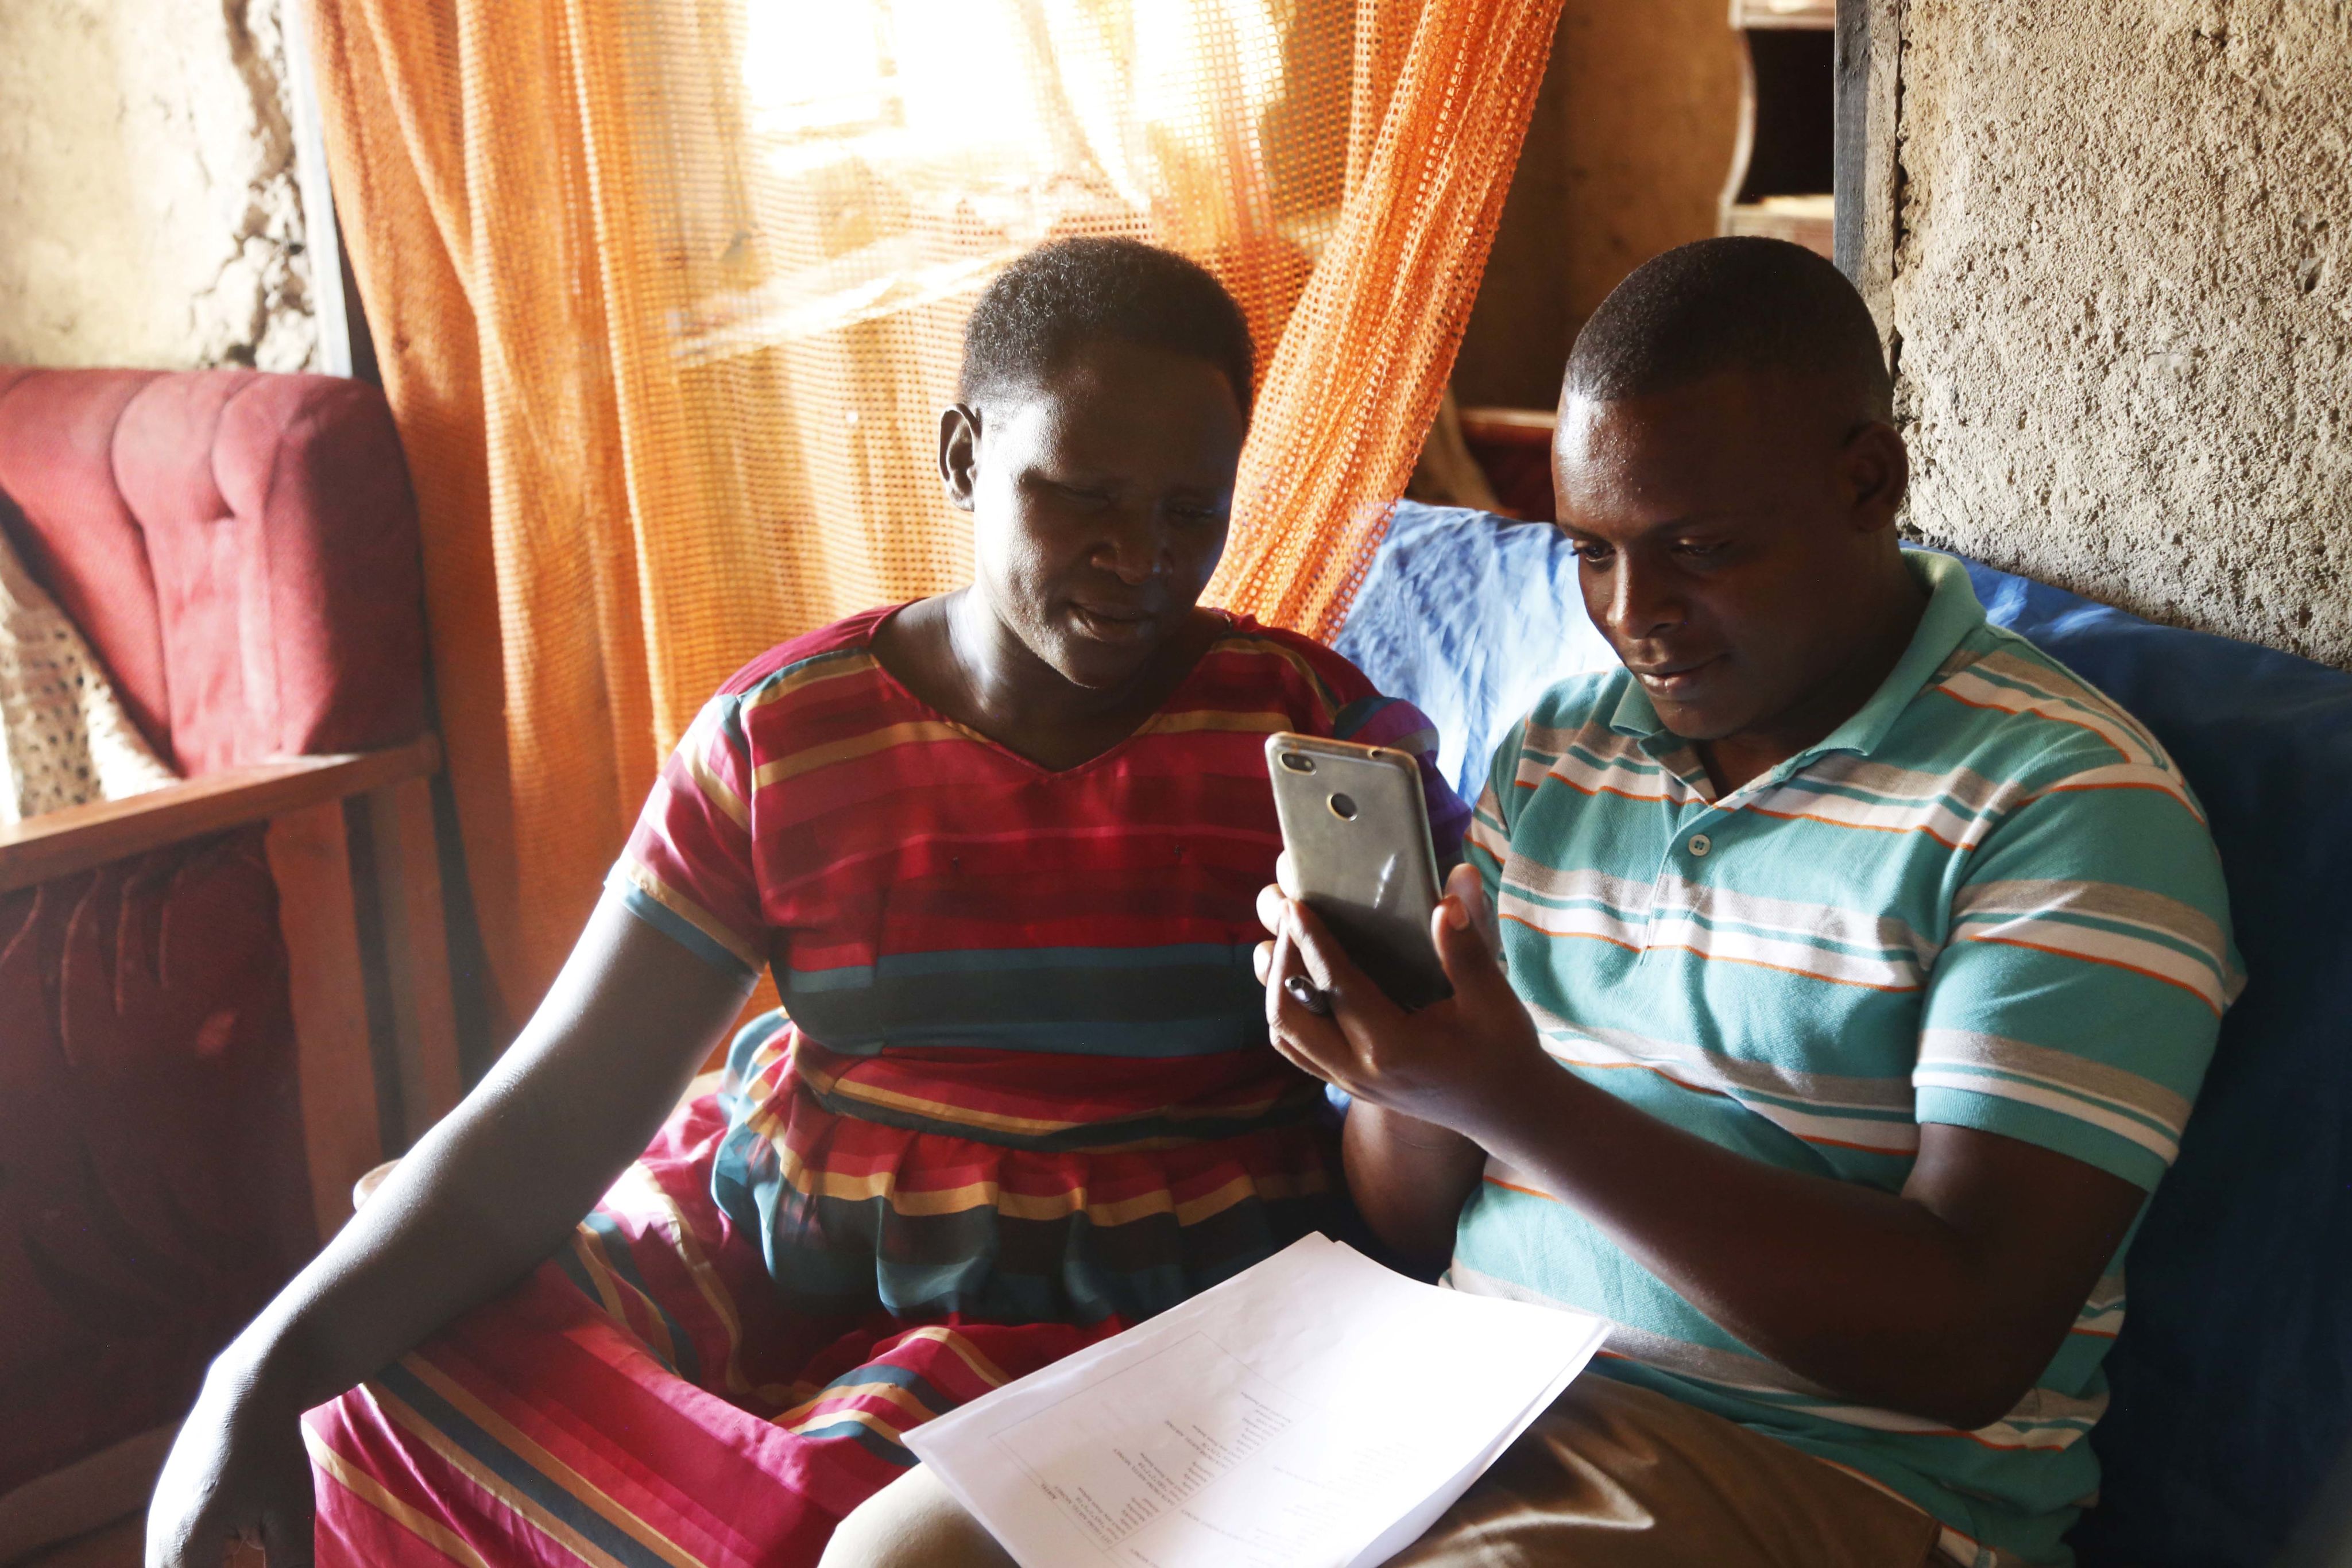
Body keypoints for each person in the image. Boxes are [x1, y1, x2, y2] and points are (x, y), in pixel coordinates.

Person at [823, 238, 2237, 1568]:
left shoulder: (2064, 808)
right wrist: (1392, 1056)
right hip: (1450, 1388)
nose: (1637, 614)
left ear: (1867, 481)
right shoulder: (1569, 745)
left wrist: (1514, 1101)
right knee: (897, 1548)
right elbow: (1410, 1220)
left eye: (1701, 548)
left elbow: (1966, 1341)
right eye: (1591, 550)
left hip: (1821, 1470)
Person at [145, 236, 1466, 1568]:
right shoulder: (784, 739)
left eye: (1192, 510)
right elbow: (563, 1106)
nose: (1140, 558)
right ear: (961, 458)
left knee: (860, 1535)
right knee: (371, 1381)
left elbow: (1426, 1106)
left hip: (1153, 1311)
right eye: (1080, 497)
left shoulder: (1309, 741)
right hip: (791, 1253)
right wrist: (248, 1377)